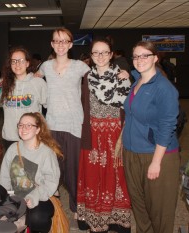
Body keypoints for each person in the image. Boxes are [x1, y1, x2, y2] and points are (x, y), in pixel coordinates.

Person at [122, 41, 180, 233]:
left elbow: (167, 126)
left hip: (157, 155)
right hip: (132, 153)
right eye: (136, 56)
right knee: (139, 206)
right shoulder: (137, 79)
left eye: (145, 55)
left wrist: (156, 162)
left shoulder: (164, 88)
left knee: (160, 211)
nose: (140, 60)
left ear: (155, 58)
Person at [35, 28, 90, 222]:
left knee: (74, 170)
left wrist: (122, 72)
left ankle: (76, 204)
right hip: (52, 125)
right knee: (52, 168)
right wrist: (6, 82)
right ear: (52, 44)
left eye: (64, 41)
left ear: (70, 44)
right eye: (56, 41)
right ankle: (51, 201)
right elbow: (30, 81)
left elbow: (101, 74)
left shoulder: (80, 66)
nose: (60, 45)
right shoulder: (46, 66)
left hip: (74, 124)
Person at [77, 38, 132, 233]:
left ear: (111, 55)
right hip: (93, 135)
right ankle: (95, 221)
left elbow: (128, 107)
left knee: (115, 177)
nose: (100, 56)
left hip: (115, 136)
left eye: (104, 52)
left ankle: (116, 220)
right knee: (93, 177)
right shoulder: (86, 78)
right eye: (96, 53)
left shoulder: (123, 77)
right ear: (91, 56)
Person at [0, 112, 62, 233]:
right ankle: (20, 223)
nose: (23, 128)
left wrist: (34, 196)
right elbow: (5, 178)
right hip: (16, 196)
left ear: (37, 129)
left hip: (40, 197)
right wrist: (5, 197)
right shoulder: (13, 149)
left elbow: (51, 182)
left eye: (29, 125)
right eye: (21, 125)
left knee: (37, 218)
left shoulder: (46, 153)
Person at [0, 46, 47, 151]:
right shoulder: (6, 84)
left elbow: (48, 105)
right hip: (10, 138)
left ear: (27, 63)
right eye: (13, 61)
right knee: (15, 167)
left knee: (31, 167)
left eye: (21, 61)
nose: (17, 64)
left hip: (32, 137)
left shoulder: (38, 83)